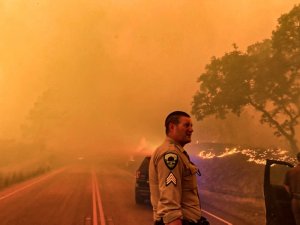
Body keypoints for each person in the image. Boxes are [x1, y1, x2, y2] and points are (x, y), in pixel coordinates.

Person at [149, 111, 207, 225]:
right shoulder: (170, 154)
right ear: (172, 127)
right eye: (186, 125)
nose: (191, 129)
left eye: (191, 126)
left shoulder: (176, 152)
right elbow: (170, 202)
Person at [284, 152, 300, 225]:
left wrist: (291, 194)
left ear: (298, 159)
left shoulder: (290, 171)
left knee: (297, 220)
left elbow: (286, 185)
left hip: (295, 200)